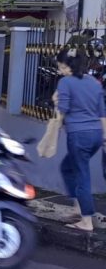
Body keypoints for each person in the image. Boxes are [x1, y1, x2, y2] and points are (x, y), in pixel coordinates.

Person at [54, 49, 106, 232]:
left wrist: (56, 101)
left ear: (68, 66)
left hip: (78, 135)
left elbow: (63, 110)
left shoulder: (65, 82)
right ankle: (79, 208)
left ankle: (86, 221)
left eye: (61, 66)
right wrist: (105, 137)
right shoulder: (93, 82)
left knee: (82, 175)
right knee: (68, 168)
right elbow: (102, 112)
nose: (59, 71)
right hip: (96, 135)